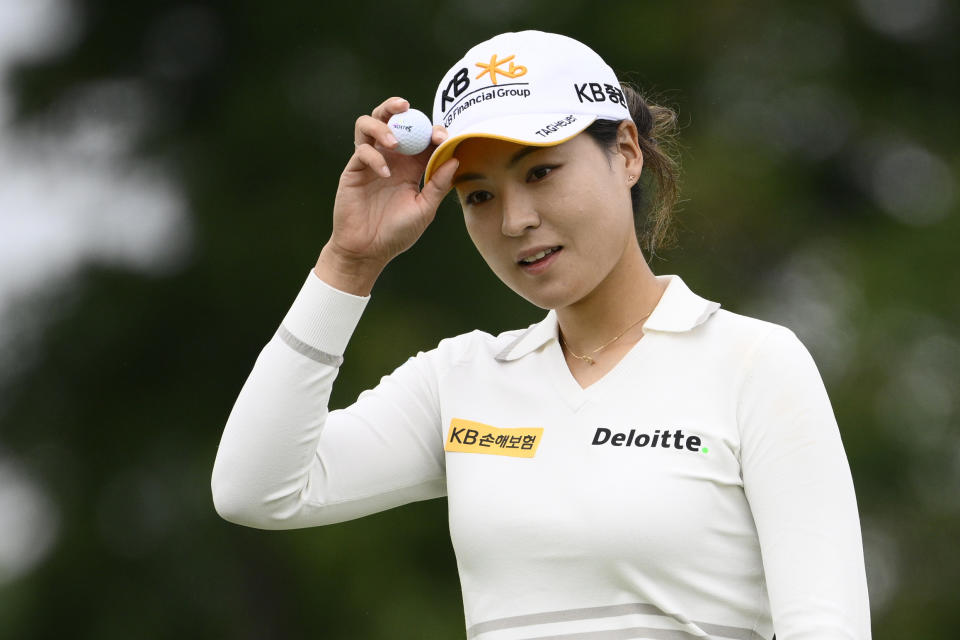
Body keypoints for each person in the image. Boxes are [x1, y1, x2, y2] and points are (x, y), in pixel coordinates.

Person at [212, 30, 871, 640]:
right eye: (478, 196)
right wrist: (349, 263)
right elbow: (256, 489)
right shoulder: (461, 380)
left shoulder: (753, 364)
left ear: (627, 155)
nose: (516, 220)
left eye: (540, 172)